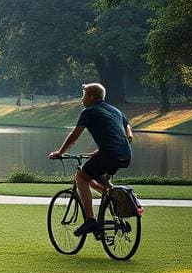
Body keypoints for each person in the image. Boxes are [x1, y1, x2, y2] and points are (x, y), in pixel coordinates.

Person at [49, 83, 133, 237]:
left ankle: (90, 220)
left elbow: (74, 136)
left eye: (83, 95)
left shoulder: (89, 111)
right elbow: (128, 132)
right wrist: (98, 152)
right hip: (125, 155)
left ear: (91, 97)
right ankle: (111, 195)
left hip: (109, 154)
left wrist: (60, 152)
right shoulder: (115, 110)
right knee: (96, 177)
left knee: (81, 176)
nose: (82, 99)